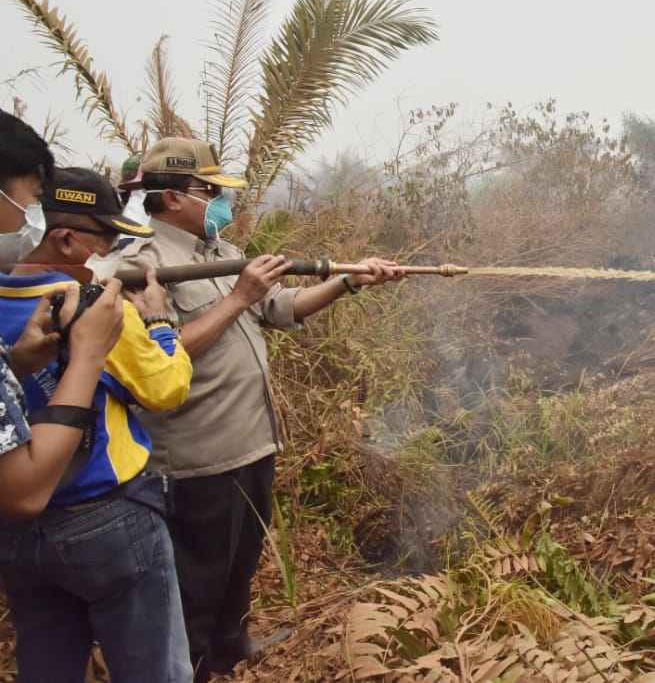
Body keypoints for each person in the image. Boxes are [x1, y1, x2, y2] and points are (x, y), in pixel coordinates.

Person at [119, 136, 403, 681]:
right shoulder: (143, 266)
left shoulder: (222, 253)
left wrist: (348, 281)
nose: (224, 204)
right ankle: (193, 665)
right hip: (199, 458)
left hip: (251, 443)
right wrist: (236, 299)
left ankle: (232, 644)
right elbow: (160, 355)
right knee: (197, 578)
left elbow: (278, 308)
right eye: (212, 193)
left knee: (239, 563)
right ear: (173, 198)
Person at [0, 164, 195, 683]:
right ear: (64, 238)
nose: (112, 250)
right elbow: (166, 389)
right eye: (105, 238)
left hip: (16, 533)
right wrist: (158, 321)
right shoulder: (97, 307)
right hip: (105, 518)